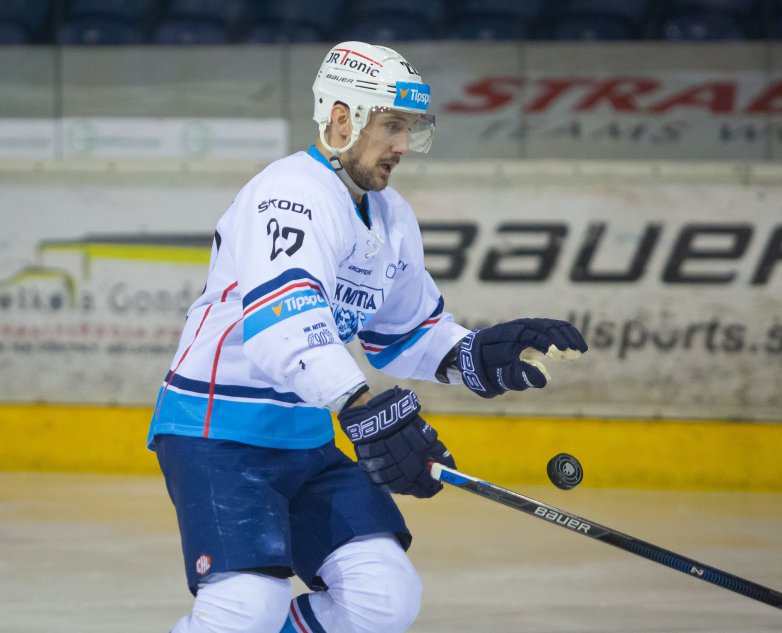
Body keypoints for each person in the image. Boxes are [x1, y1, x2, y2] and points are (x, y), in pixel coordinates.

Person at [148, 41, 588, 633]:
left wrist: (476, 353)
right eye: (391, 126)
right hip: (217, 431)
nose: (403, 145)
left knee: (382, 596)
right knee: (247, 605)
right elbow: (282, 325)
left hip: (305, 438)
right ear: (341, 120)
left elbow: (406, 333)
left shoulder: (389, 215)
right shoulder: (290, 195)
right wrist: (362, 407)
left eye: (410, 129)